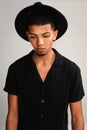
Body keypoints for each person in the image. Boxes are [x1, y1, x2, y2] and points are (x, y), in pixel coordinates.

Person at [4, 2, 85, 130]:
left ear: (55, 34)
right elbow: (13, 115)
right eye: (33, 36)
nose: (40, 43)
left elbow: (77, 117)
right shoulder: (16, 69)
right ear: (27, 36)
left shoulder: (71, 70)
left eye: (46, 35)